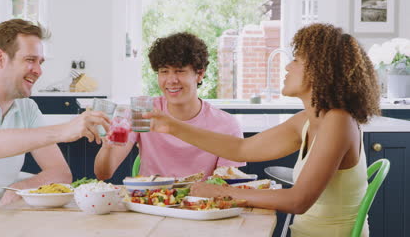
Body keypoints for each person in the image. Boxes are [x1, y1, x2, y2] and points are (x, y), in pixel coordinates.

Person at [145, 23, 380, 237]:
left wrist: (220, 193)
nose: (288, 66)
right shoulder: (307, 121)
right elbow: (241, 148)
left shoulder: (338, 122)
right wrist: (173, 127)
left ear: (321, 69)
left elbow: (298, 200)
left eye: (296, 60)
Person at [0, 19, 109, 226]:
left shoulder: (26, 109)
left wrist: (21, 188)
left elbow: (60, 173)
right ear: (0, 58)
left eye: (41, 62)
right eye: (31, 60)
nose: (38, 70)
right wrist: (63, 131)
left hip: (4, 221)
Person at [94, 32, 245, 180]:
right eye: (164, 71)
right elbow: (103, 174)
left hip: (201, 202)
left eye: (180, 71)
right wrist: (107, 146)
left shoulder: (227, 125)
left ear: (199, 74)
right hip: (149, 200)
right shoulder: (143, 113)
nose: (171, 80)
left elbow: (223, 185)